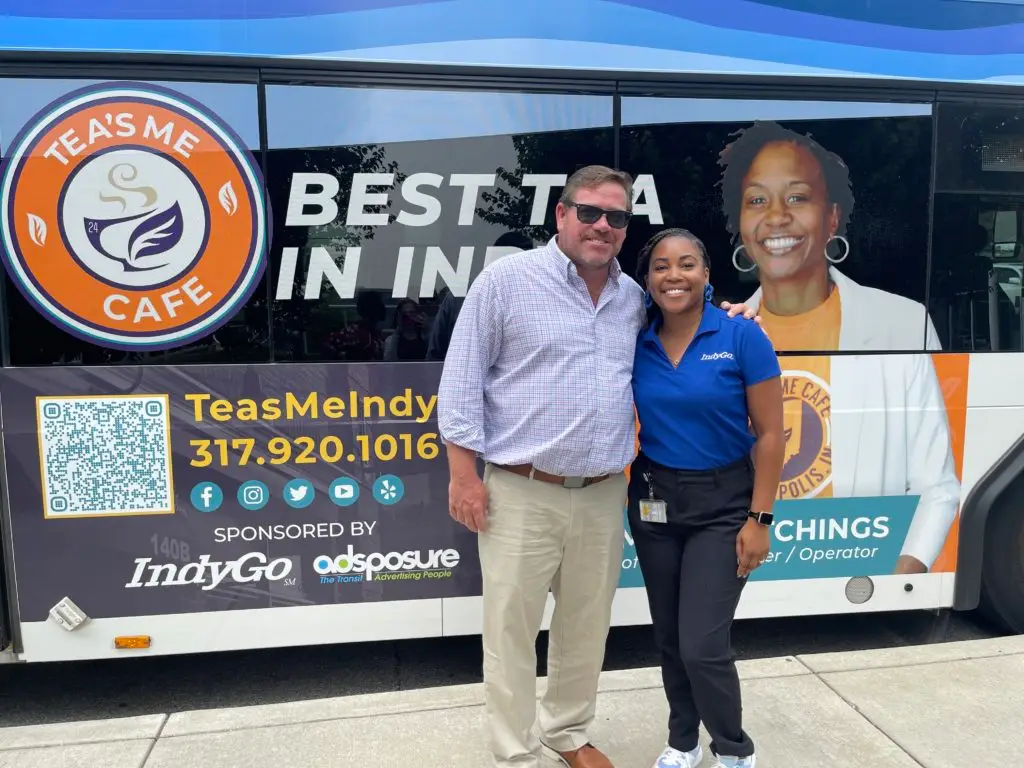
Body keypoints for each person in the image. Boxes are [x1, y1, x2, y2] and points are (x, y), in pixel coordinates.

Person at [437, 165, 759, 768]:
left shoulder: (634, 299)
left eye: (616, 217)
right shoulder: (506, 282)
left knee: (586, 628)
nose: (602, 226)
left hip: (604, 493)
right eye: (589, 212)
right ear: (562, 215)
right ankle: (515, 751)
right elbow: (460, 386)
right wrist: (463, 477)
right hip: (520, 489)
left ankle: (568, 733)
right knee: (511, 629)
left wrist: (734, 312)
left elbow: (689, 316)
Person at [718, 120, 959, 574]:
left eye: (797, 197)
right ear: (742, 227)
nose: (776, 216)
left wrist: (902, 573)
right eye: (757, 200)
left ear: (831, 217)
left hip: (858, 561)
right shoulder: (724, 332)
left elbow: (938, 484)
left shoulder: (902, 323)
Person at [630, 228, 785, 768]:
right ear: (647, 280)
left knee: (702, 644)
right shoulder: (636, 335)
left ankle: (733, 749)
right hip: (654, 499)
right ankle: (683, 742)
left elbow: (770, 434)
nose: (674, 276)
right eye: (661, 267)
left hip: (724, 503)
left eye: (687, 264)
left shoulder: (741, 334)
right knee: (670, 637)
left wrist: (759, 518)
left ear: (707, 272)